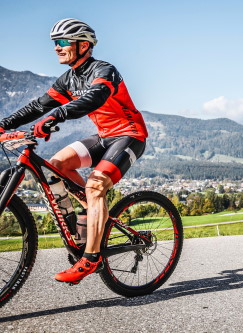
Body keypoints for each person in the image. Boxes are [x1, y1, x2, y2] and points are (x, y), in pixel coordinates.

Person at [0, 18, 148, 284]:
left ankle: (92, 257)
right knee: (57, 165)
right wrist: (4, 124)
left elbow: (95, 97)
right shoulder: (69, 78)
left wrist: (56, 116)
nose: (57, 48)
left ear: (83, 45)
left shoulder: (104, 70)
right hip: (103, 136)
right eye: (55, 43)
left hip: (129, 135)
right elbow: (37, 106)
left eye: (63, 42)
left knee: (95, 186)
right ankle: (87, 214)